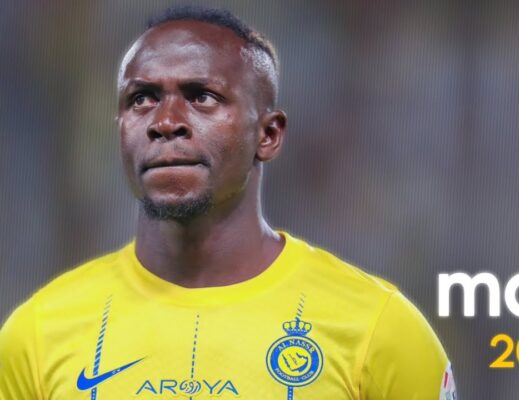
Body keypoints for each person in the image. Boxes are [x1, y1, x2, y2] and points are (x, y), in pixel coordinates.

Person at [0, 6, 456, 400]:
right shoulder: (36, 336)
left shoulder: (380, 330)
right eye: (142, 99)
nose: (166, 121)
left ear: (268, 135)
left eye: (202, 97)